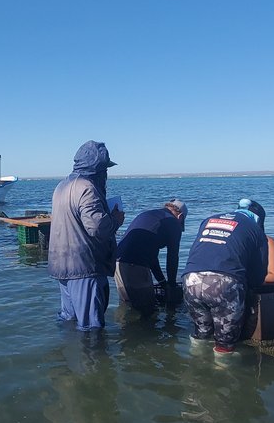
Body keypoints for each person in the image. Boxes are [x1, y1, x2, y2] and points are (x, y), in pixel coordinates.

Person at [181, 198, 268, 357]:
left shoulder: (209, 219)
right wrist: (250, 291)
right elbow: (259, 273)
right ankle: (222, 373)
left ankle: (195, 364)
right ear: (258, 219)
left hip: (190, 279)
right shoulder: (256, 230)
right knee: (225, 343)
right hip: (224, 283)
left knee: (202, 332)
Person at [49, 140, 118, 330]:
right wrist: (116, 219)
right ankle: (95, 359)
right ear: (98, 169)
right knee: (91, 327)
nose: (106, 175)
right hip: (84, 267)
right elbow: (97, 228)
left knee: (69, 319)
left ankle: (69, 355)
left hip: (61, 264)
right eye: (105, 169)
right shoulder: (87, 188)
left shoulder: (61, 186)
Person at [114, 198, 188, 314]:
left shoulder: (151, 215)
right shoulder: (173, 222)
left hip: (118, 263)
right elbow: (172, 257)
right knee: (148, 312)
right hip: (135, 265)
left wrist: (163, 283)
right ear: (181, 217)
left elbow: (152, 258)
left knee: (129, 308)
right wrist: (172, 285)